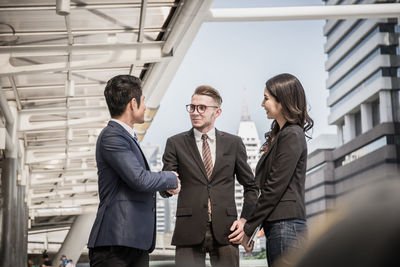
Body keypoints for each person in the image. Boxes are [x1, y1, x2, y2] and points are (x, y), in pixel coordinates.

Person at [87, 75, 181, 267]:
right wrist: (170, 178)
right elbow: (139, 179)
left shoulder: (125, 136)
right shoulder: (112, 136)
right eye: (144, 100)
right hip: (115, 245)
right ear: (133, 104)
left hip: (132, 243)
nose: (145, 106)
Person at [162, 85, 258, 267]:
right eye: (192, 107)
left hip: (227, 230)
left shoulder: (234, 143)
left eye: (202, 108)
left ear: (217, 112)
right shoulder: (175, 143)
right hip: (188, 229)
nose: (195, 112)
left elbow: (251, 187)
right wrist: (168, 187)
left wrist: (245, 221)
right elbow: (166, 184)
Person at [242, 73, 314, 267]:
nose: (262, 103)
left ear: (282, 101)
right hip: (281, 226)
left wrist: (248, 228)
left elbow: (274, 187)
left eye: (266, 98)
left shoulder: (292, 135)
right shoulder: (283, 135)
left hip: (286, 226)